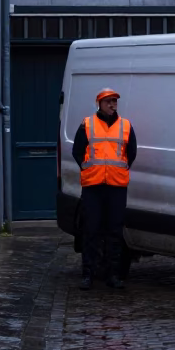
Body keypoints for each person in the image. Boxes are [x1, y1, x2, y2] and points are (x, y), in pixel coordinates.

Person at [72, 88, 137, 291]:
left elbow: (131, 152)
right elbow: (77, 151)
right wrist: (85, 166)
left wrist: (122, 169)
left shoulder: (125, 126)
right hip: (93, 186)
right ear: (99, 104)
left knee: (114, 232)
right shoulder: (88, 124)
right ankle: (88, 274)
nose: (112, 105)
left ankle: (113, 275)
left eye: (114, 102)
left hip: (116, 187)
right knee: (90, 231)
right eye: (108, 102)